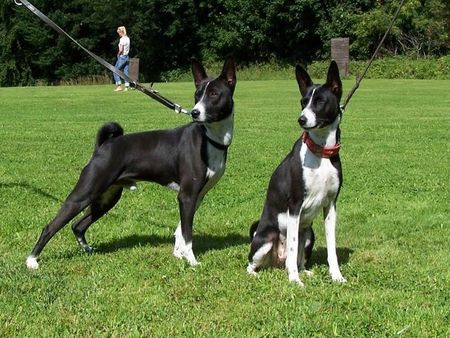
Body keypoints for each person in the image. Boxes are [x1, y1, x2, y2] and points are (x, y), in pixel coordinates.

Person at [113, 26, 130, 92]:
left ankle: (119, 86)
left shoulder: (122, 39)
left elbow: (121, 49)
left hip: (122, 56)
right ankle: (126, 87)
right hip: (127, 56)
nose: (118, 34)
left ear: (121, 32)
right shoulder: (128, 38)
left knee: (115, 71)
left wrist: (118, 54)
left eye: (119, 33)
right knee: (125, 72)